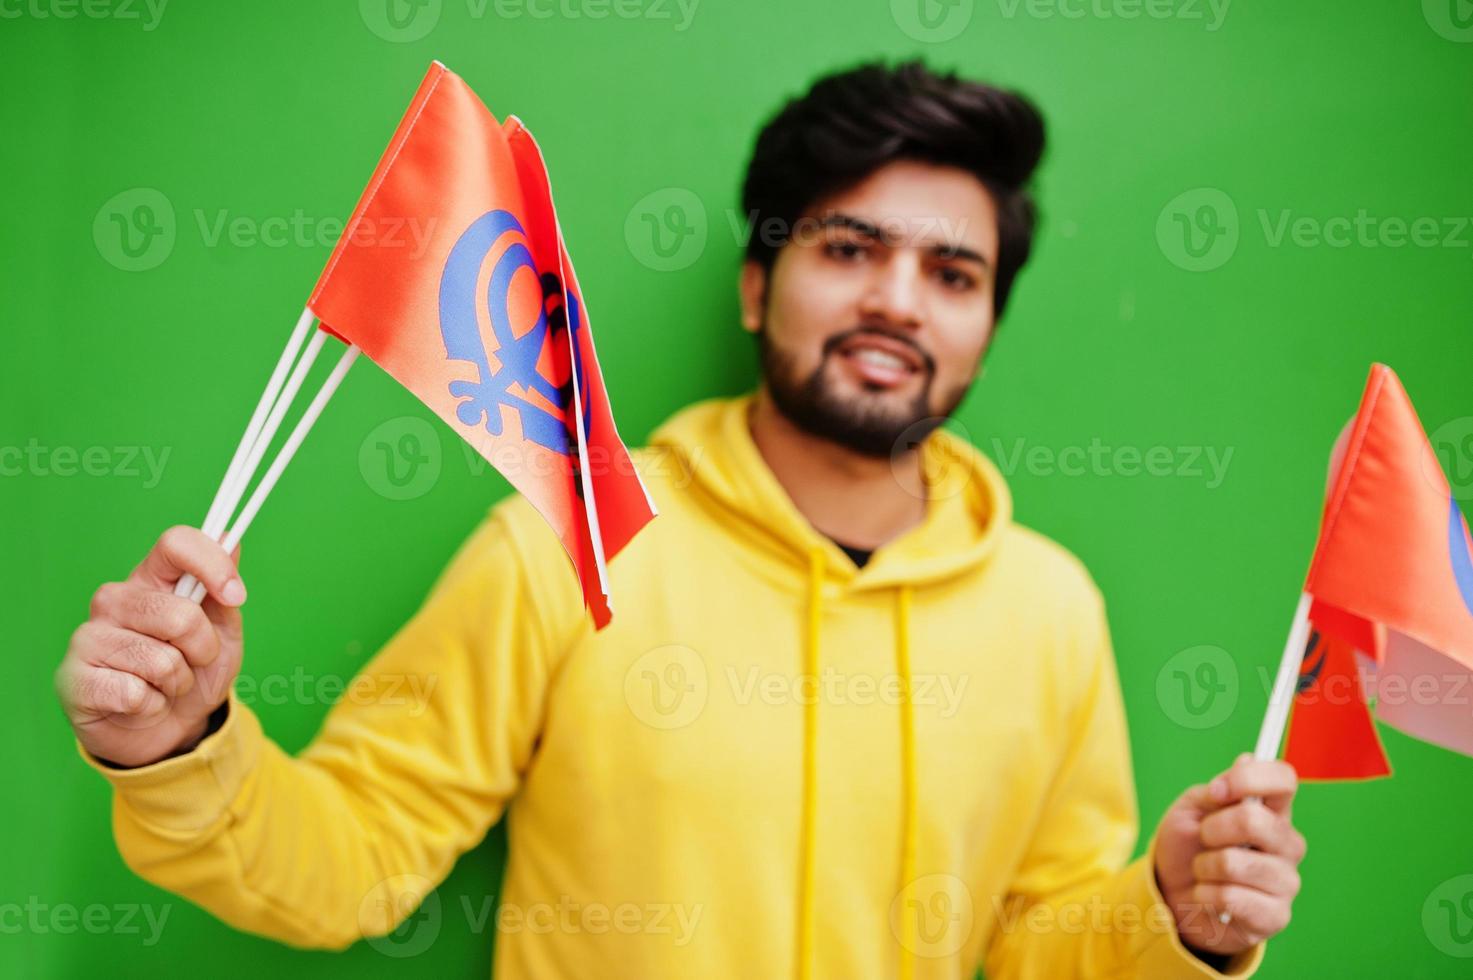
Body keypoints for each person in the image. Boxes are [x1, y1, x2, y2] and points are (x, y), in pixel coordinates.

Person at [56, 60, 1304, 979]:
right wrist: (183, 743)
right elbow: (351, 857)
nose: (897, 301)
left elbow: (1039, 948)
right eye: (850, 247)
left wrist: (1171, 913)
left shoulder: (1053, 610)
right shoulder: (568, 539)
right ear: (760, 286)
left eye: (953, 274)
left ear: (984, 326)